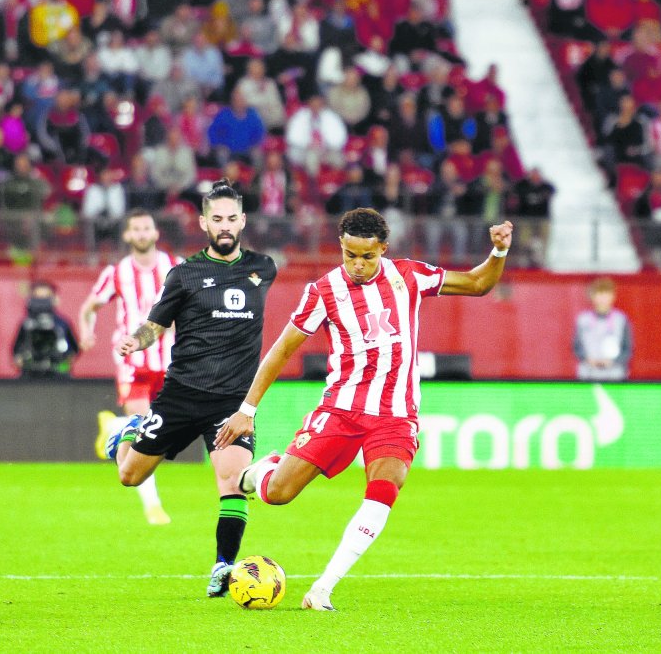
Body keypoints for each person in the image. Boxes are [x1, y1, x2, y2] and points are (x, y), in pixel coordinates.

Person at [215, 208, 514, 611]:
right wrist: (247, 409)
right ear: (341, 248)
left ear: (383, 249)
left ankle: (323, 588)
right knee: (279, 493)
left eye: (367, 256)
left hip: (395, 415)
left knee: (383, 490)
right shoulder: (322, 292)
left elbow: (478, 284)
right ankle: (259, 473)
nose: (357, 265)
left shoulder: (408, 276)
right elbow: (281, 349)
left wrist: (497, 252)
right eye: (349, 255)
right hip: (341, 409)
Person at [104, 182, 278, 596]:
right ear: (203, 223)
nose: (224, 225)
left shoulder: (263, 268)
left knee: (233, 481)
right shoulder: (184, 275)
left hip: (231, 402)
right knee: (129, 476)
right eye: (216, 219)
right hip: (181, 394)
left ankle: (224, 568)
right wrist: (136, 340)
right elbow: (156, 325)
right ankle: (128, 432)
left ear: (242, 221)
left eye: (231, 218)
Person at [80, 209, 182, 526]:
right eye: (134, 229)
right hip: (132, 361)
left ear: (155, 233)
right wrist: (86, 331)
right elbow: (89, 306)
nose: (140, 233)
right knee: (143, 429)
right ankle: (153, 506)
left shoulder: (175, 266)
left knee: (166, 432)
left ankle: (112, 428)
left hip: (170, 361)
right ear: (127, 235)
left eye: (146, 228)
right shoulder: (117, 272)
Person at [12, 281, 80, 379]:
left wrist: (64, 359)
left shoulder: (62, 324)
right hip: (30, 376)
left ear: (55, 298)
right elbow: (16, 351)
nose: (42, 301)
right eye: (38, 297)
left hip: (58, 375)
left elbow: (74, 349)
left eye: (46, 297)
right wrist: (21, 359)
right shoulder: (27, 324)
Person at [573, 278, 634, 381]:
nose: (602, 298)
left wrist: (613, 361)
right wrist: (587, 359)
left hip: (615, 374)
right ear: (592, 296)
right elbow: (576, 347)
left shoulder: (621, 319)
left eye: (606, 294)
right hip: (588, 373)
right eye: (599, 294)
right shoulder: (583, 320)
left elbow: (627, 349)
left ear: (613, 296)